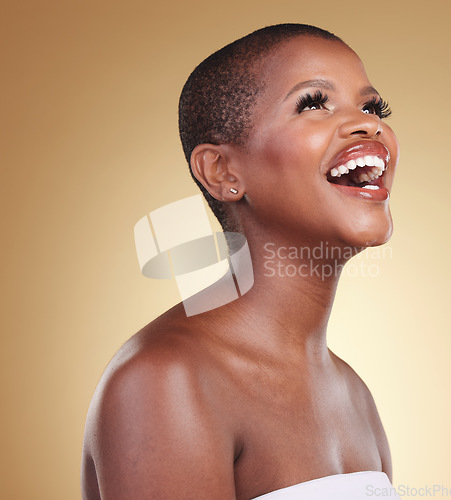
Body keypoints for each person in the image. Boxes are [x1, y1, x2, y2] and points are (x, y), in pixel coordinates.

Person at [81, 23, 401, 499]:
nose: (369, 124)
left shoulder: (353, 395)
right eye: (314, 102)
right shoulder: (166, 381)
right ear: (223, 171)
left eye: (373, 107)